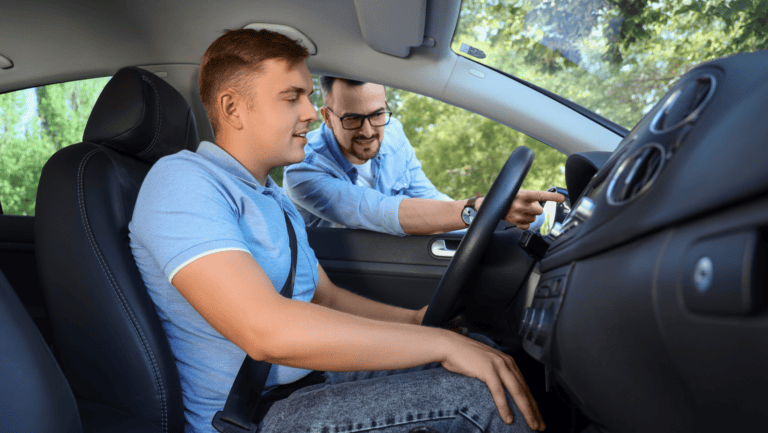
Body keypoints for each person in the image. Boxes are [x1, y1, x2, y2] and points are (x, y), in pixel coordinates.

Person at [129, 29, 546, 433]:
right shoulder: (182, 181)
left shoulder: (271, 196)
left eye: (308, 97)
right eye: (291, 97)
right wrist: (442, 344)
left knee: (485, 357)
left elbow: (325, 296)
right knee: (484, 398)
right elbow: (265, 330)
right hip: (254, 415)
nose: (311, 113)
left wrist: (418, 323)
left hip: (310, 384)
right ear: (233, 107)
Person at [283, 77, 565, 236]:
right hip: (347, 276)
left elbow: (429, 198)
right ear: (328, 117)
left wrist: (498, 216)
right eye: (353, 119)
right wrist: (481, 208)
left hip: (395, 255)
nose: (368, 131)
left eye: (377, 114)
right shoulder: (302, 172)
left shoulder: (392, 134)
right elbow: (379, 211)